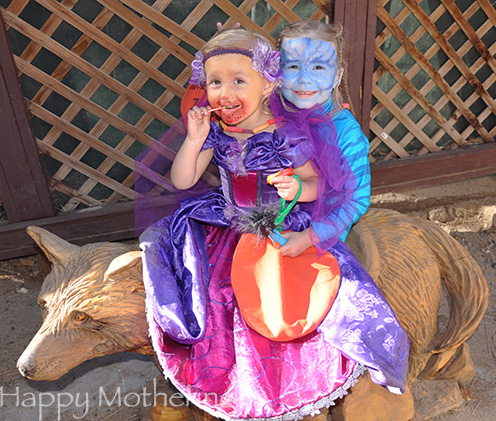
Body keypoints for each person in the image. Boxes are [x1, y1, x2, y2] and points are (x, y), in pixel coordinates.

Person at [135, 28, 409, 420]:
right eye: (215, 82)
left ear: (268, 84)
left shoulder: (288, 134)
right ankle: (222, 376)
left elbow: (320, 185)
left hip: (280, 225)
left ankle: (290, 385)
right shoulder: (218, 130)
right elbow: (183, 180)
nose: (224, 92)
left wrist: (298, 186)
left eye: (237, 81)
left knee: (285, 304)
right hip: (226, 221)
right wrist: (194, 140)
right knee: (211, 296)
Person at [276, 19, 371, 258]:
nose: (304, 79)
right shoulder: (274, 112)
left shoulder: (347, 134)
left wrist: (306, 239)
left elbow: (356, 201)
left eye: (318, 67)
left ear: (337, 76)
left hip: (319, 230)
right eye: (293, 67)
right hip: (273, 213)